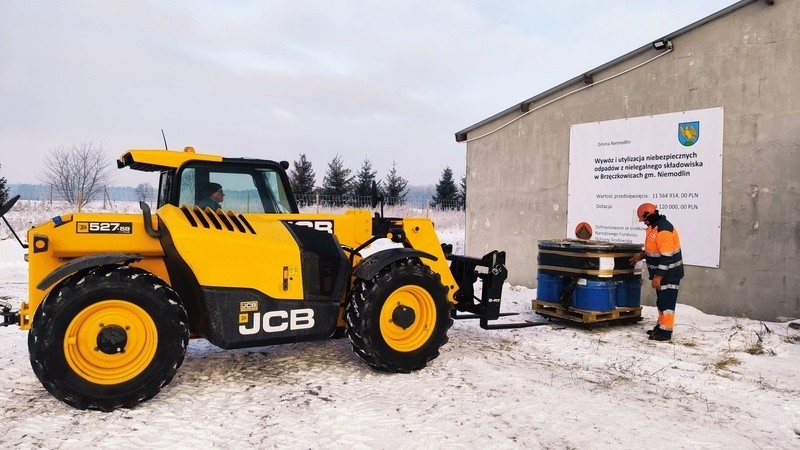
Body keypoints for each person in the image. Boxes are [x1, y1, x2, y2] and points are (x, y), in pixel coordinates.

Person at [629, 202, 684, 341]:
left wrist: (658, 277)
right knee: (661, 302)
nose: (644, 222)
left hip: (669, 274)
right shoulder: (654, 228)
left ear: (650, 215)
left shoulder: (663, 230)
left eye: (644, 219)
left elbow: (666, 257)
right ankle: (660, 327)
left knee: (667, 304)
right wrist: (641, 255)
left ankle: (665, 333)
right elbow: (653, 249)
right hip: (663, 274)